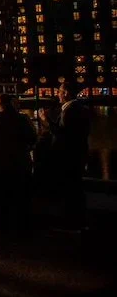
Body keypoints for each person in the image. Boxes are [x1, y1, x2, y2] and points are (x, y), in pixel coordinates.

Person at [0, 93, 37, 233]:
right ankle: (20, 225)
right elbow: (32, 138)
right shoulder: (22, 119)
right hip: (19, 162)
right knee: (19, 196)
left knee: (0, 196)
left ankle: (1, 225)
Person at [52, 82, 92, 230]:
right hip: (77, 155)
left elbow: (64, 134)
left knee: (70, 189)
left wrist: (46, 122)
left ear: (66, 93)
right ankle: (78, 221)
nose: (58, 94)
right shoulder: (80, 109)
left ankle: (72, 222)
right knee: (75, 188)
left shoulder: (70, 110)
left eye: (60, 91)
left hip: (69, 156)